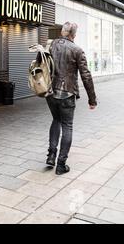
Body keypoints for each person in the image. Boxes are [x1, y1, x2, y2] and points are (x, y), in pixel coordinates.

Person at [45, 22, 97, 175]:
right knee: (67, 126)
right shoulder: (77, 50)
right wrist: (92, 100)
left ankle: (51, 156)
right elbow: (86, 75)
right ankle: (61, 165)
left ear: (63, 31)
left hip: (50, 92)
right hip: (67, 93)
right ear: (74, 34)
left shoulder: (52, 45)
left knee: (56, 120)